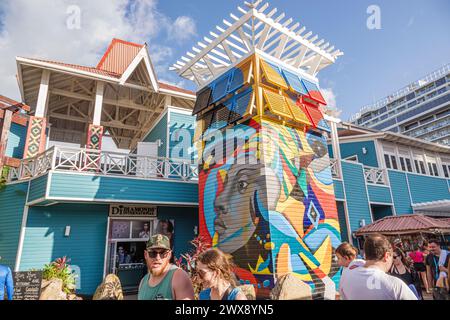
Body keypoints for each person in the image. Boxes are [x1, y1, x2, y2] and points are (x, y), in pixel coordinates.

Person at [341, 233, 417, 300]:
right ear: (386, 256)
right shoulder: (394, 284)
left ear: (366, 254)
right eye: (392, 257)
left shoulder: (346, 277)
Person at [138, 234, 194, 300]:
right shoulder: (143, 282)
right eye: (152, 253)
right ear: (145, 255)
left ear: (169, 255)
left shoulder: (179, 277)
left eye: (163, 253)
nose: (157, 258)